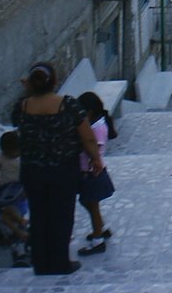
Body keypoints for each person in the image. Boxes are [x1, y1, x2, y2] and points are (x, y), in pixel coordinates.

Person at [12, 62, 103, 276]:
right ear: (54, 81)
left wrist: (28, 92)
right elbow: (88, 136)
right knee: (61, 216)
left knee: (39, 215)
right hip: (62, 170)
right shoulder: (68, 105)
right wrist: (96, 159)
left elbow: (16, 121)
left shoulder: (23, 107)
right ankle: (60, 262)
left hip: (32, 171)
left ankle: (41, 262)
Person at [76, 92, 116, 256]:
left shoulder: (97, 128)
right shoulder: (95, 124)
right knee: (89, 204)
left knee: (91, 205)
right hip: (89, 173)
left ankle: (97, 240)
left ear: (90, 111)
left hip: (92, 173)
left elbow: (94, 149)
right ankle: (102, 228)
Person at [0, 130, 29, 243]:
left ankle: (20, 223)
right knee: (4, 210)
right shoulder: (1, 157)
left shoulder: (22, 158)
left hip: (19, 188)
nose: (11, 155)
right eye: (7, 152)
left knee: (14, 209)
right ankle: (21, 227)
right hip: (4, 188)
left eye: (13, 152)